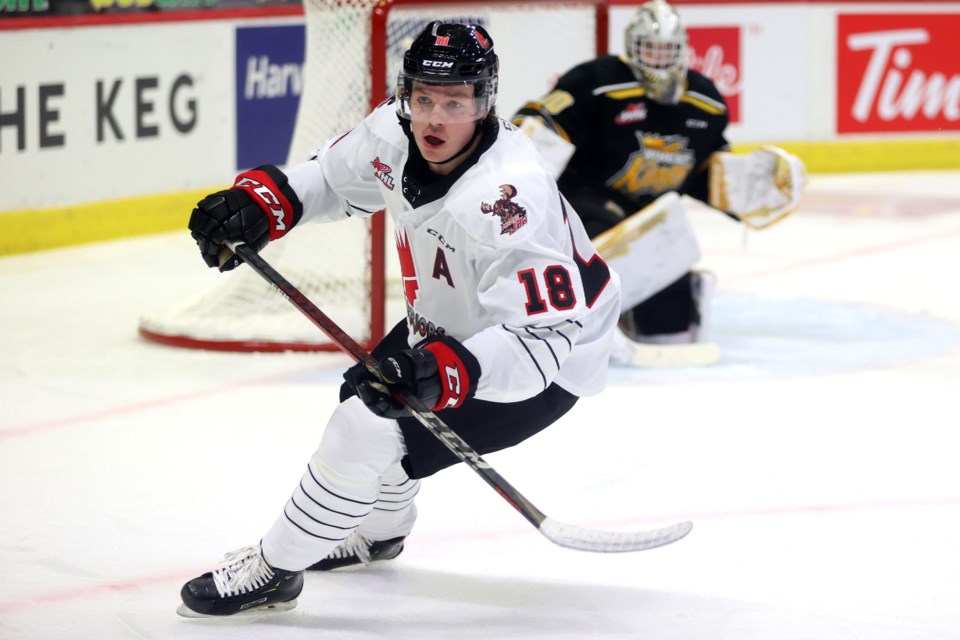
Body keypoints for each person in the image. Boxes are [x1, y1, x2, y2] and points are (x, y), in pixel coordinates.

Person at [177, 21, 621, 617]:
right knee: (362, 393)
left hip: (554, 354)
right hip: (450, 316)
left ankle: (274, 569)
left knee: (361, 429)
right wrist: (263, 204)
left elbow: (541, 342)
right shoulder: (396, 125)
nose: (434, 119)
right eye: (423, 99)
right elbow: (333, 179)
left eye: (455, 103)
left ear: (485, 103)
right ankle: (382, 532)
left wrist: (445, 370)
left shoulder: (510, 197)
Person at [513, 0, 804, 362]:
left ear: (681, 50)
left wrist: (743, 190)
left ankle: (670, 295)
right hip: (583, 201)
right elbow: (541, 127)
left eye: (666, 49)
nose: (657, 58)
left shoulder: (706, 102)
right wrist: (522, 191)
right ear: (632, 47)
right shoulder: (597, 82)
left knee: (669, 327)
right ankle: (578, 322)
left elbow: (703, 171)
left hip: (651, 217)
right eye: (650, 48)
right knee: (605, 254)